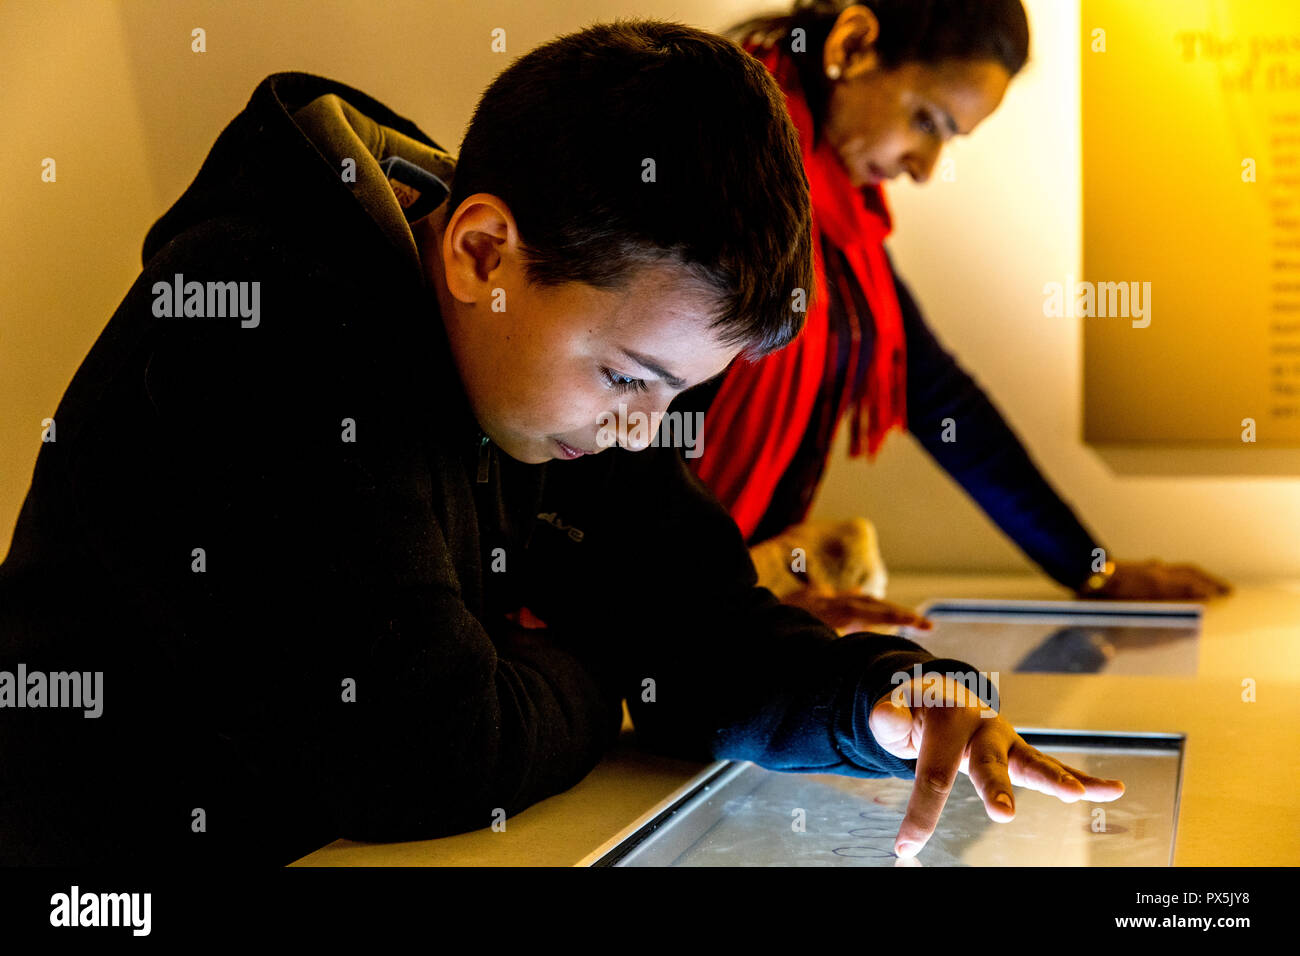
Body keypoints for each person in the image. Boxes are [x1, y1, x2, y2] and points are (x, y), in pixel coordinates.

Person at [0, 20, 1122, 866]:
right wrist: (612, 675)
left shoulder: (559, 359)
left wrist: (878, 699)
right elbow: (426, 750)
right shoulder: (261, 325)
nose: (642, 425)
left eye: (674, 393)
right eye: (629, 380)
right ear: (483, 253)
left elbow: (693, 620)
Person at [676, 0, 1230, 635]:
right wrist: (718, 608)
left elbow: (938, 397)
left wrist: (1095, 570)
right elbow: (631, 429)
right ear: (851, 46)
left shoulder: (833, 219)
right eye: (926, 122)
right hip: (629, 608)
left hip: (709, 607)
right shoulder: (715, 163)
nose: (925, 167)